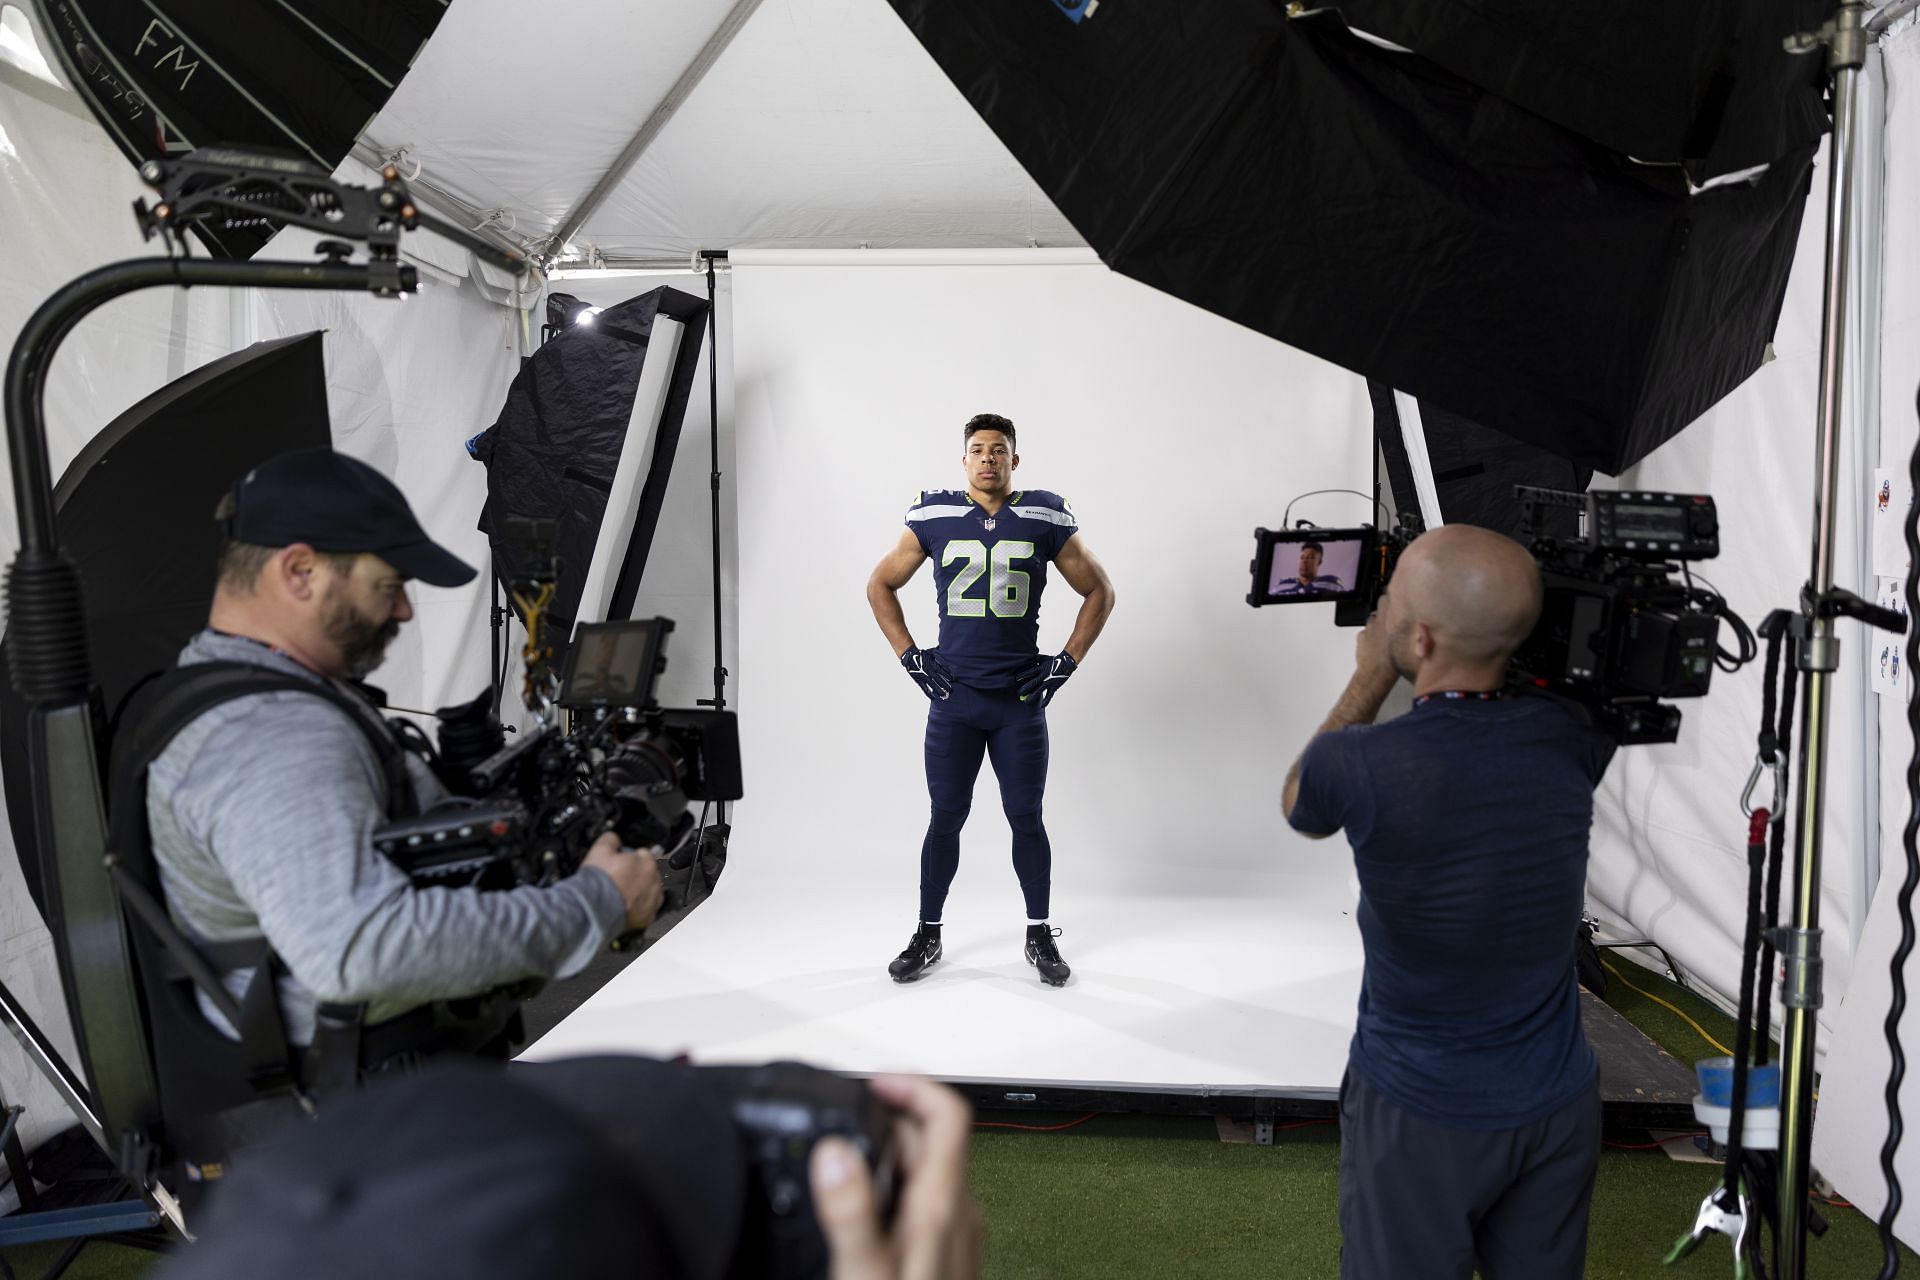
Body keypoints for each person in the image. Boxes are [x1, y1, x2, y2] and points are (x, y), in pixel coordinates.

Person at [147, 447, 663, 1051]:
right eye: (388, 584)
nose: (404, 608)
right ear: (299, 572)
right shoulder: (274, 734)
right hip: (368, 1107)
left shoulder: (213, 684)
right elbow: (361, 949)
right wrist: (597, 902)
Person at [1281, 525, 1617, 1280]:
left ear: (1421, 639)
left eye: (1391, 604)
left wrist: (1368, 674)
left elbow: (1301, 804)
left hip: (1419, 1112)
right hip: (1558, 1105)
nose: (1380, 615)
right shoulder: (1577, 735)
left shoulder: (1358, 763)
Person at [866, 413, 1115, 986]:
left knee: (1025, 816)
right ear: (964, 460)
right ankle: (928, 931)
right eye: (977, 450)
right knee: (945, 816)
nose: (987, 459)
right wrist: (910, 657)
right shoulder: (933, 514)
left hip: (1018, 701)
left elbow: (1100, 588)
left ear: (1013, 460)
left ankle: (1038, 932)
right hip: (952, 697)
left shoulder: (1044, 514)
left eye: (998, 450)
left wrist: (1066, 663)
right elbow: (880, 583)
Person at [1270, 540, 1347, 596]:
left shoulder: (1331, 583)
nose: (1304, 561)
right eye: (1302, 558)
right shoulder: (1282, 585)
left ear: (1319, 562)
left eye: (1310, 557)